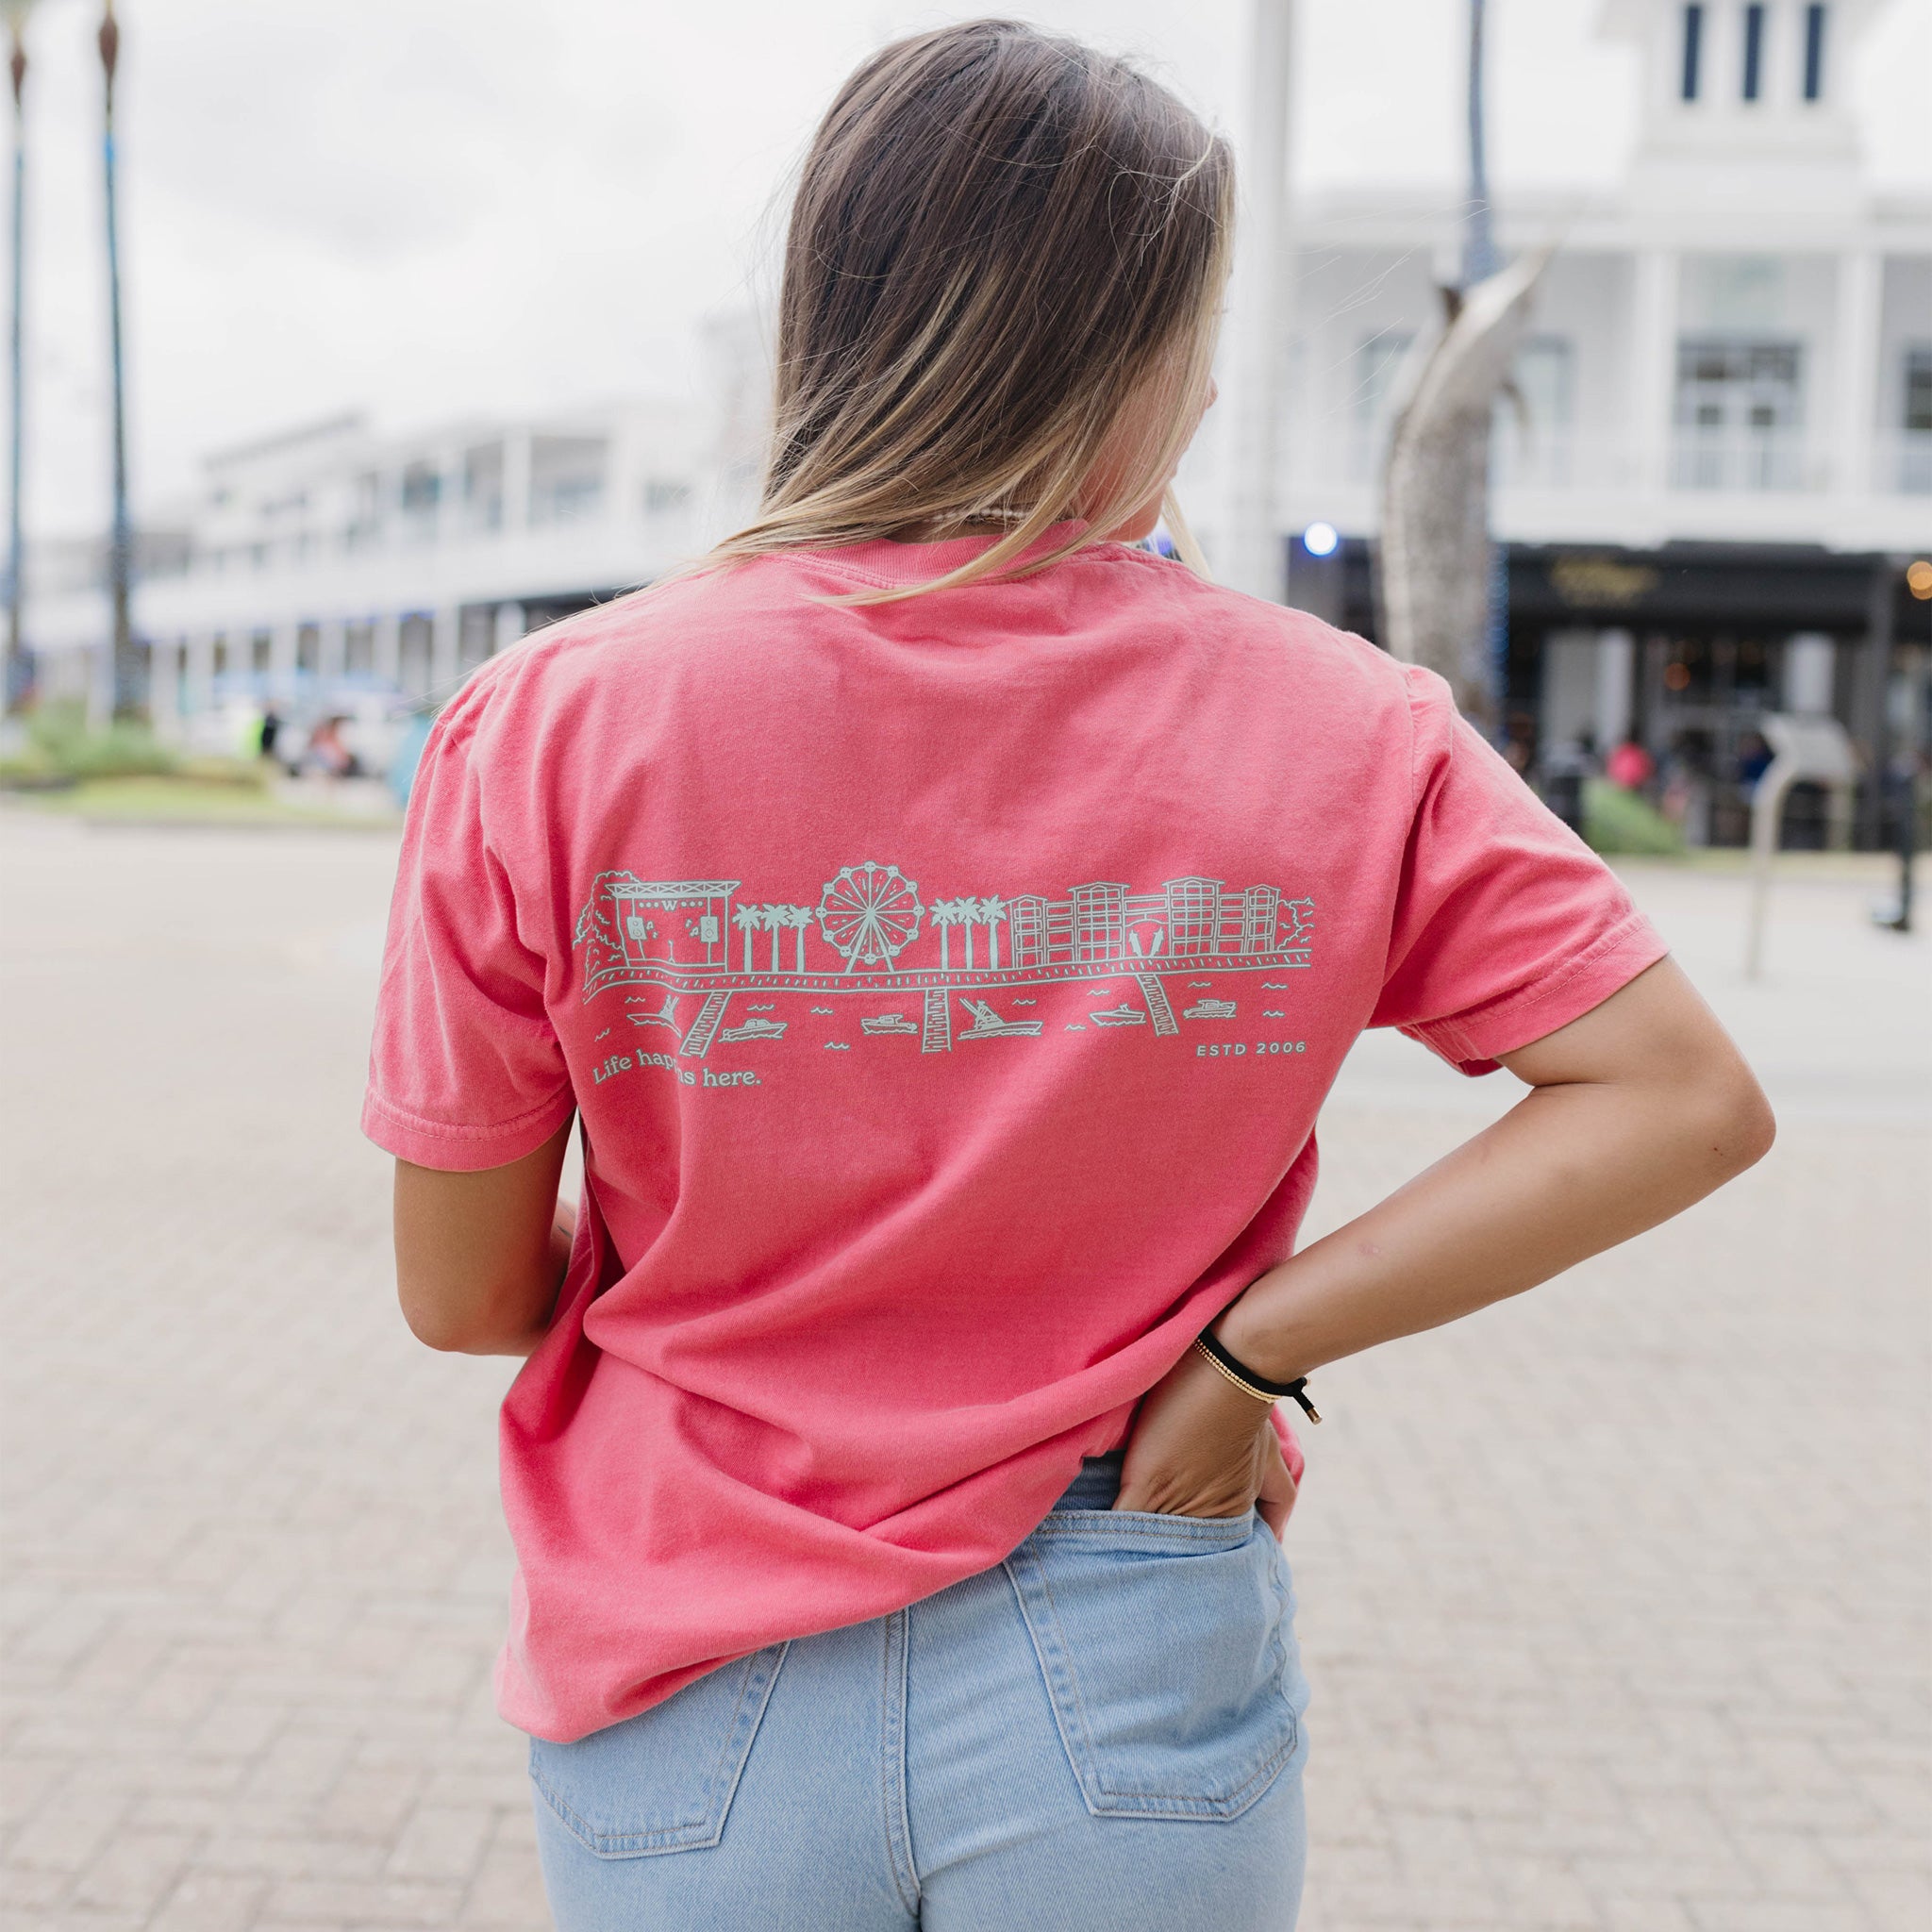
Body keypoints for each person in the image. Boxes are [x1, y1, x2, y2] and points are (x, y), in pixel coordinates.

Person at [364, 25, 1774, 1931]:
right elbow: (1680, 1093)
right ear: (1138, 353)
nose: (1199, 402)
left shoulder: (549, 722)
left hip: (683, 1638)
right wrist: (1243, 1352)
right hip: (1125, 1588)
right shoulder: (1346, 728)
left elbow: (464, 1298)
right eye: (1195, 339)